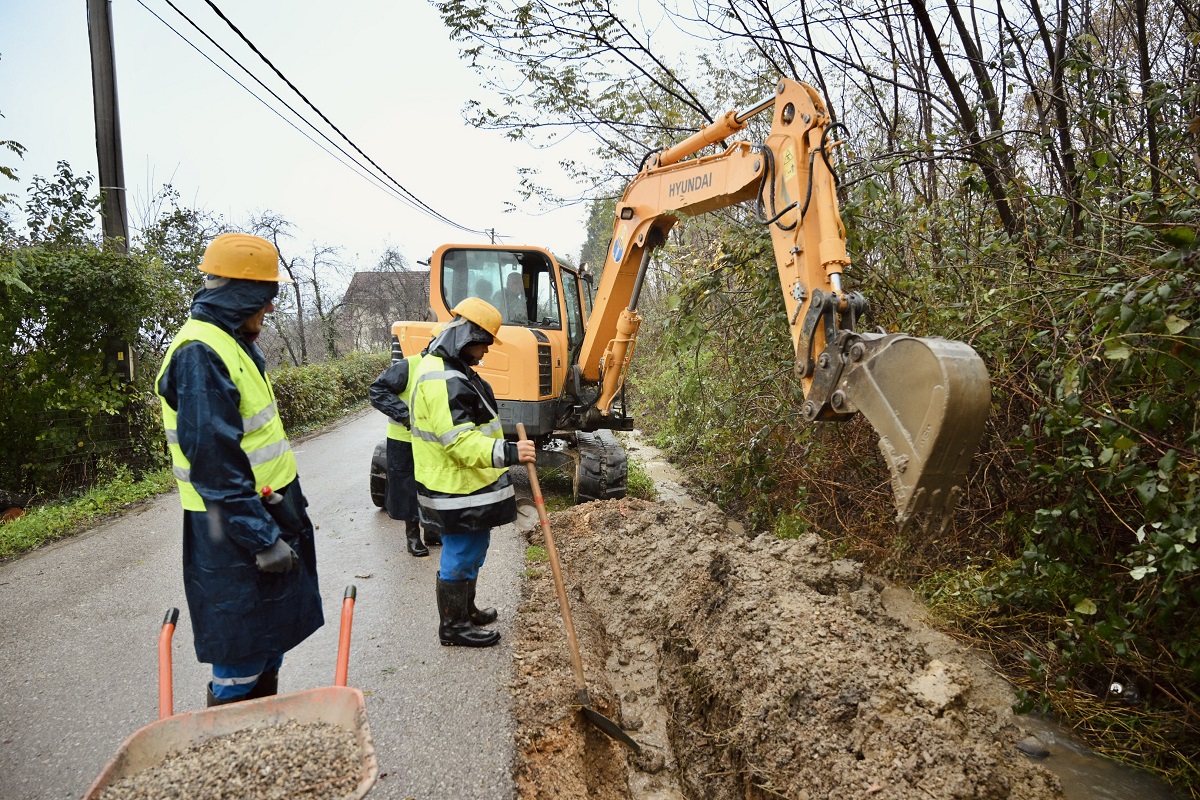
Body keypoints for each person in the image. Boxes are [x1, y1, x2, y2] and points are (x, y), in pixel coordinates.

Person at [155, 232, 324, 705]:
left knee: (268, 641)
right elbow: (214, 464)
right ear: (242, 295)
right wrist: (262, 537)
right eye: (266, 300)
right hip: (230, 530)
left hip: (260, 513)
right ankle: (229, 751)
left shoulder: (230, 342)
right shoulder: (200, 354)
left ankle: (257, 738)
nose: (269, 312)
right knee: (241, 652)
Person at [410, 298, 536, 647]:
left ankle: (466, 610)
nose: (484, 353)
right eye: (483, 345)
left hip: (468, 483)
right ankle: (453, 627)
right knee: (461, 552)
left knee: (474, 546)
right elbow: (460, 443)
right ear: (468, 337)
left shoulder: (454, 370)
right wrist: (510, 452)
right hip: (454, 486)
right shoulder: (442, 379)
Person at [368, 333, 442, 557]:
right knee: (407, 489)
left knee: (431, 484)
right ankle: (413, 537)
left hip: (430, 442)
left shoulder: (443, 370)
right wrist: (406, 416)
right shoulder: (408, 366)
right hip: (404, 440)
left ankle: (431, 530)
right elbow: (377, 391)